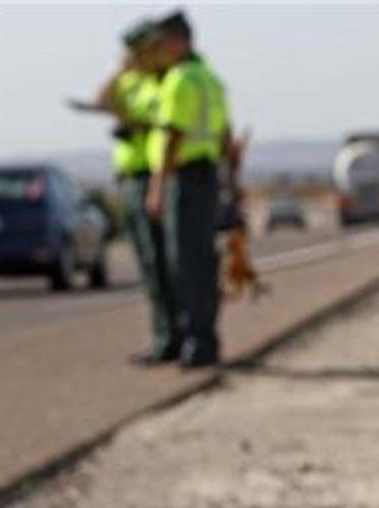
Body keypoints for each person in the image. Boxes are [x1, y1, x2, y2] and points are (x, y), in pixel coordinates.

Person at [145, 10, 237, 368]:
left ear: (179, 41)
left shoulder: (180, 80)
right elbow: (226, 136)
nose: (161, 51)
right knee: (201, 260)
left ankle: (196, 341)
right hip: (207, 175)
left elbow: (173, 135)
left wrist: (156, 187)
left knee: (184, 263)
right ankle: (204, 338)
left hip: (185, 178)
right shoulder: (210, 78)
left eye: (163, 43)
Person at [96, 19, 180, 365]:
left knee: (161, 263)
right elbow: (102, 99)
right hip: (129, 178)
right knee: (149, 266)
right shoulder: (132, 81)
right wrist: (120, 70)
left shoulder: (160, 83)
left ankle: (171, 337)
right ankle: (164, 334)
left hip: (151, 177)